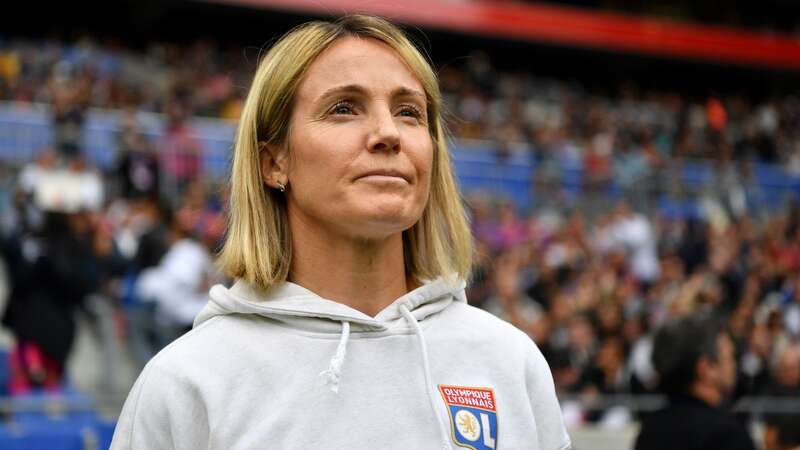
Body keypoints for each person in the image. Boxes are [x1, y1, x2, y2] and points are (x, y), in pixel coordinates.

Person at [111, 15, 571, 450]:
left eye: (409, 112)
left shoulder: (508, 361)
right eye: (344, 108)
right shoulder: (188, 381)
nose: (388, 133)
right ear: (274, 162)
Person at [634, 314, 755, 450]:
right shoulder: (728, 435)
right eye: (730, 357)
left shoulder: (651, 430)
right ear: (706, 369)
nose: (734, 366)